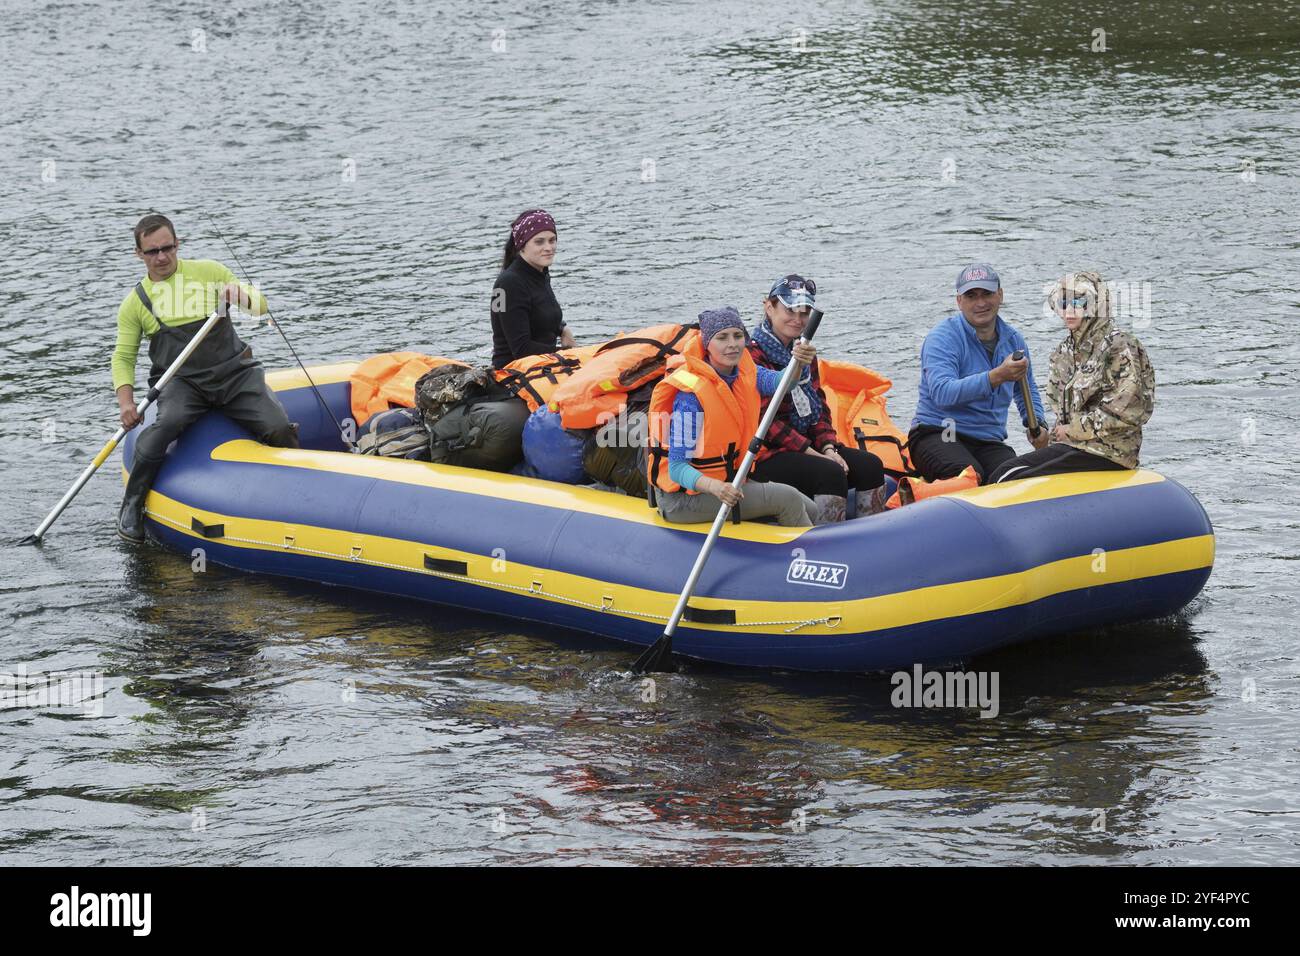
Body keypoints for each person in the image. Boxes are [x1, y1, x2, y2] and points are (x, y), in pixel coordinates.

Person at [113, 213, 298, 542]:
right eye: (152, 251)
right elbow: (123, 356)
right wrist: (126, 403)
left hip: (234, 374)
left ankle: (298, 495)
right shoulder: (135, 303)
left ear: (177, 244)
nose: (162, 257)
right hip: (184, 384)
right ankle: (132, 503)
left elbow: (261, 307)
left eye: (167, 248)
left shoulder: (210, 272)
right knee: (167, 424)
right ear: (138, 254)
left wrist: (241, 297)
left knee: (279, 426)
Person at [648, 307, 818, 526]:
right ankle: (805, 558)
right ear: (707, 345)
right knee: (788, 499)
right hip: (683, 498)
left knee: (810, 508)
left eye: (738, 336)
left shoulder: (746, 374)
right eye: (722, 337)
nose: (733, 344)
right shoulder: (690, 398)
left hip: (727, 482)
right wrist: (715, 487)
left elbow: (782, 383)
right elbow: (677, 468)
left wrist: (798, 363)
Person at [989, 271, 1154, 482]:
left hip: (1110, 453)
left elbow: (1130, 410)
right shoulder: (1064, 352)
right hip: (1074, 448)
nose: (1070, 310)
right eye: (1064, 302)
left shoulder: (1119, 346)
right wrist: (1051, 438)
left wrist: (1073, 430)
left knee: (1012, 475)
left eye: (1080, 302)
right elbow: (1063, 415)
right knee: (1005, 470)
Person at [747, 275, 885, 522]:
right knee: (829, 473)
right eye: (790, 310)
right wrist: (816, 454)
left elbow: (819, 409)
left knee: (870, 465)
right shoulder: (750, 355)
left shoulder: (804, 350)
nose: (798, 319)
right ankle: (825, 547)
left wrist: (828, 447)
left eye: (804, 312)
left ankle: (871, 537)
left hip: (809, 446)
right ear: (769, 307)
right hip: (765, 454)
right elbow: (765, 424)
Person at [908, 263, 1048, 489]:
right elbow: (943, 393)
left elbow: (1026, 388)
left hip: (988, 441)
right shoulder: (942, 338)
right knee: (968, 476)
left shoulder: (1014, 340)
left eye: (987, 294)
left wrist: (1037, 424)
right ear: (959, 301)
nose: (981, 303)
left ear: (1000, 295)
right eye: (971, 296)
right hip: (939, 432)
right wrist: (996, 376)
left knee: (1020, 480)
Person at [490, 208, 575, 369]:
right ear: (521, 245)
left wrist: (563, 328)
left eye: (552, 240)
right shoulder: (508, 284)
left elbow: (541, 312)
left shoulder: (539, 273)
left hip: (544, 363)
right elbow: (521, 349)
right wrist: (567, 354)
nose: (549, 247)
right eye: (539, 241)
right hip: (514, 372)